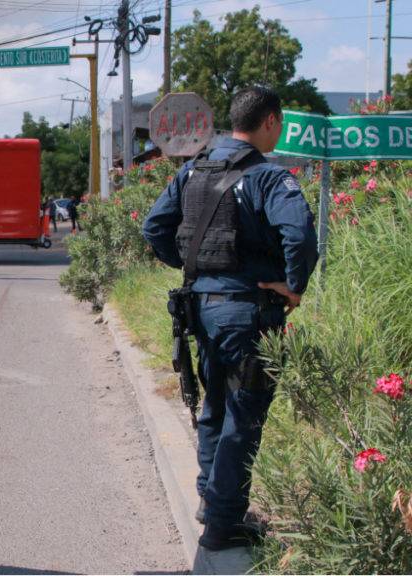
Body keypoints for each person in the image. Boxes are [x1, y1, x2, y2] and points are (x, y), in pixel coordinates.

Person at [141, 86, 319, 551]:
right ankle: (223, 524)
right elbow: (299, 234)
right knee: (244, 415)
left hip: (201, 308)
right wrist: (294, 286)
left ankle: (209, 498)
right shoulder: (268, 176)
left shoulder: (193, 169)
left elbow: (154, 227)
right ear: (270, 122)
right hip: (247, 312)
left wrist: (194, 270)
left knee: (214, 404)